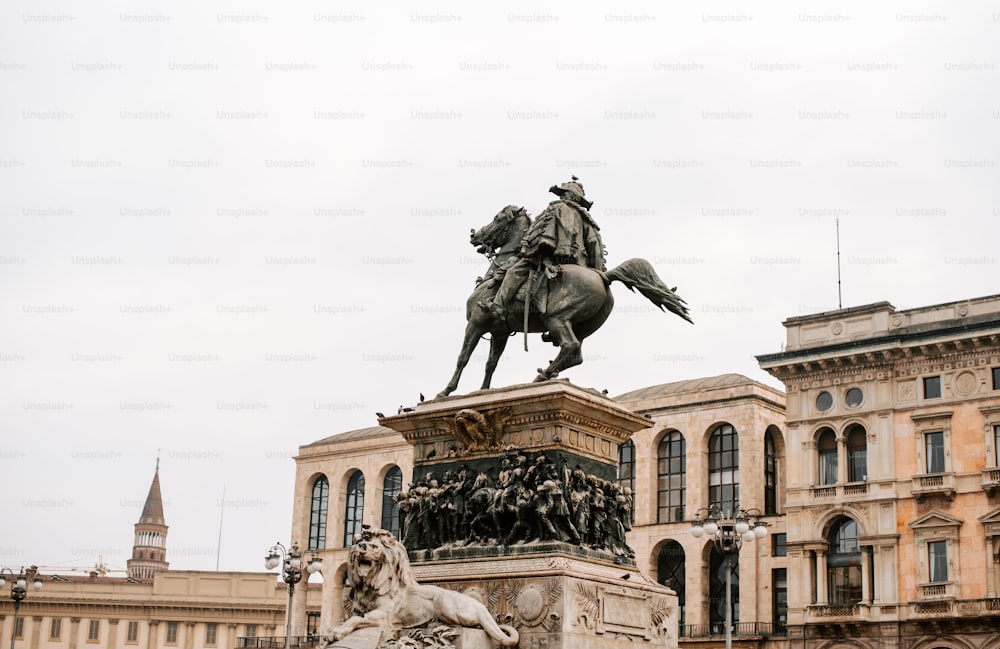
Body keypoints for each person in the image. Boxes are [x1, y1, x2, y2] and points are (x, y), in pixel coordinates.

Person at [484, 177, 605, 319]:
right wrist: (596, 272)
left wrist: (527, 250)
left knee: (514, 271)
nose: (561, 196)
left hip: (550, 258)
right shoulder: (587, 221)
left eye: (563, 193)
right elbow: (594, 245)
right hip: (579, 263)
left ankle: (498, 305)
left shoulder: (555, 208)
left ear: (569, 195)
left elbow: (540, 235)